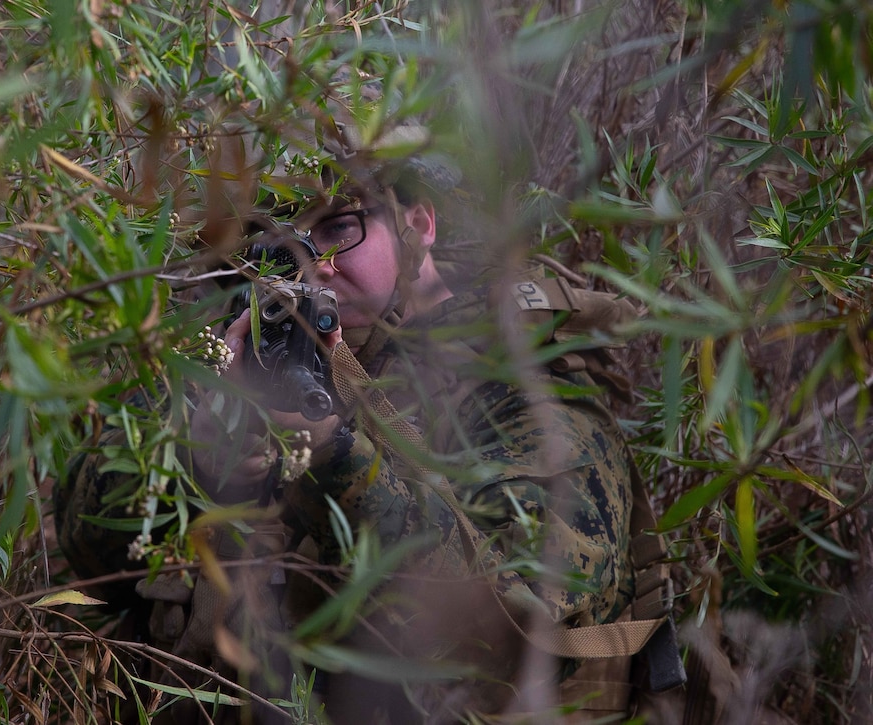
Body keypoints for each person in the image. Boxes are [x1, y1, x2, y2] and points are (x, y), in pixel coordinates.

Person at [55, 125, 658, 724]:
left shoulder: (523, 392)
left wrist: (333, 458)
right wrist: (190, 455)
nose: (308, 268)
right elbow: (85, 542)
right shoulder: (232, 354)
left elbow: (519, 636)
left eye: (338, 228)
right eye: (269, 244)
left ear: (417, 225)